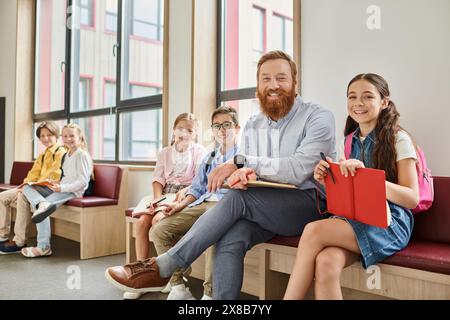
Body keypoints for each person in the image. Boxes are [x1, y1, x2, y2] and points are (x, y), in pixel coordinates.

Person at [105, 50, 336, 299]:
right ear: (258, 84)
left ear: (294, 82)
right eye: (266, 79)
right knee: (230, 237)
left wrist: (241, 163)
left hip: (311, 206)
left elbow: (298, 171)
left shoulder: (318, 117)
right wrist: (241, 175)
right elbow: (249, 170)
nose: (273, 85)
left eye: (281, 78)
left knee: (237, 199)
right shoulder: (253, 124)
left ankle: (165, 266)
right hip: (263, 204)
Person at [283, 73, 419, 300]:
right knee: (326, 263)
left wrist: (368, 179)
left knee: (313, 231)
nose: (358, 103)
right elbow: (347, 194)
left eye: (367, 97)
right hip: (357, 218)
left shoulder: (399, 139)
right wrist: (326, 178)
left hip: (390, 222)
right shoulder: (347, 141)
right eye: (352, 97)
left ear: (384, 102)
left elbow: (412, 198)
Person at [146, 106, 241, 300]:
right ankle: (178, 286)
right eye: (217, 125)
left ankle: (210, 294)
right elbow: (197, 189)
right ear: (212, 130)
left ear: (237, 128)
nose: (222, 129)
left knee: (216, 235)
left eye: (227, 125)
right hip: (202, 202)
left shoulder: (244, 156)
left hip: (227, 206)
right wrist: (179, 205)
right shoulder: (208, 158)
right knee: (158, 230)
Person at [122, 113, 206, 299]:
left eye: (189, 130)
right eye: (180, 129)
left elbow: (199, 182)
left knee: (159, 221)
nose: (184, 133)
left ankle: (172, 274)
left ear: (195, 134)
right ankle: (144, 277)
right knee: (142, 222)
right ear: (174, 130)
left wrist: (170, 203)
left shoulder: (199, 151)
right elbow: (158, 179)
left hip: (183, 196)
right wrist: (156, 200)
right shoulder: (165, 152)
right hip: (163, 194)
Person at [19, 123, 93, 257]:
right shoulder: (67, 154)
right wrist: (55, 183)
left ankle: (43, 247)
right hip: (61, 187)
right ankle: (42, 204)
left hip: (73, 191)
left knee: (41, 209)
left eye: (72, 136)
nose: (68, 138)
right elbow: (66, 175)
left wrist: (61, 187)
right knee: (26, 187)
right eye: (65, 136)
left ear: (80, 137)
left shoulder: (81, 155)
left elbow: (82, 182)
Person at [0, 122, 66, 254]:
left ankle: (19, 241)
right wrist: (24, 185)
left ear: (56, 135)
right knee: (2, 196)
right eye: (42, 136)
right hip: (33, 187)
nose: (45, 138)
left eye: (49, 135)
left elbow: (54, 176)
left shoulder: (61, 152)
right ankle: (2, 235)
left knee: (21, 196)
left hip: (48, 189)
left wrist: (29, 188)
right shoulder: (43, 154)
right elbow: (33, 174)